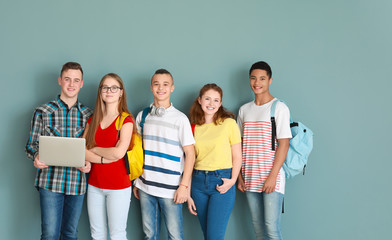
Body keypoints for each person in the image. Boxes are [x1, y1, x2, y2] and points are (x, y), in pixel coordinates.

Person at [25, 62, 93, 240]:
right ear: (60, 80)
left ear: (82, 83)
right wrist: (36, 156)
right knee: (49, 235)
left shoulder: (89, 115)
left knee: (70, 234)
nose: (71, 84)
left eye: (76, 80)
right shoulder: (42, 111)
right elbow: (31, 145)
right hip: (49, 182)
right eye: (67, 79)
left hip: (77, 183)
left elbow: (91, 149)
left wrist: (89, 163)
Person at [133, 69, 195, 240]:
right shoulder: (142, 116)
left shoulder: (180, 119)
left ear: (172, 88)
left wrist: (183, 186)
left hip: (172, 189)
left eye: (165, 84)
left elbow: (190, 154)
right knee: (149, 234)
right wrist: (136, 181)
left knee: (175, 236)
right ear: (151, 88)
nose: (161, 88)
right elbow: (137, 152)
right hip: (146, 187)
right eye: (156, 84)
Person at [237, 61, 292, 240]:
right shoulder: (244, 110)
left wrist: (273, 176)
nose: (257, 82)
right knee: (258, 228)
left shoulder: (279, 108)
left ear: (270, 80)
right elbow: (238, 145)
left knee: (271, 227)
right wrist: (239, 176)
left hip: (271, 176)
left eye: (262, 78)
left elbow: (283, 144)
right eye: (253, 78)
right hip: (250, 176)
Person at [83, 73, 135, 240]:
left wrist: (95, 149)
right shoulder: (93, 119)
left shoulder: (126, 120)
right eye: (105, 87)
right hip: (94, 185)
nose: (109, 91)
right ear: (100, 92)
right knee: (97, 234)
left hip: (119, 187)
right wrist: (105, 157)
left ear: (121, 92)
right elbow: (81, 150)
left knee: (117, 234)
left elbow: (119, 153)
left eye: (114, 88)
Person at [187, 83, 242, 240]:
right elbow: (190, 161)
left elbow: (237, 156)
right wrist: (188, 193)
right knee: (208, 235)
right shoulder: (193, 127)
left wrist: (232, 180)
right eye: (207, 99)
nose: (211, 104)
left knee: (214, 237)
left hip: (222, 182)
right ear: (199, 100)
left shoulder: (229, 124)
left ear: (220, 103)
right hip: (198, 184)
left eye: (216, 100)